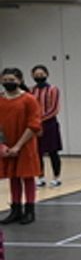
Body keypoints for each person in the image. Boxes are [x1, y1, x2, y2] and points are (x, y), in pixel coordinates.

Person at [0, 67, 43, 225]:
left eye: (11, 80)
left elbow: (34, 125)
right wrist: (3, 145)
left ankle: (30, 209)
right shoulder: (1, 100)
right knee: (13, 176)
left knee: (27, 176)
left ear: (19, 80)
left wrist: (18, 145)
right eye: (5, 80)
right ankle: (15, 209)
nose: (8, 83)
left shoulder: (29, 100)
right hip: (7, 144)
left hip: (26, 143)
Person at [30, 65, 63, 188]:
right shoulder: (31, 90)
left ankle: (56, 177)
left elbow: (54, 109)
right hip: (36, 125)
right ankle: (40, 177)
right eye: (36, 75)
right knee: (37, 152)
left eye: (41, 74)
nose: (39, 76)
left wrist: (40, 119)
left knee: (53, 152)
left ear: (47, 74)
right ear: (32, 76)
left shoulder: (53, 89)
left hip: (50, 124)